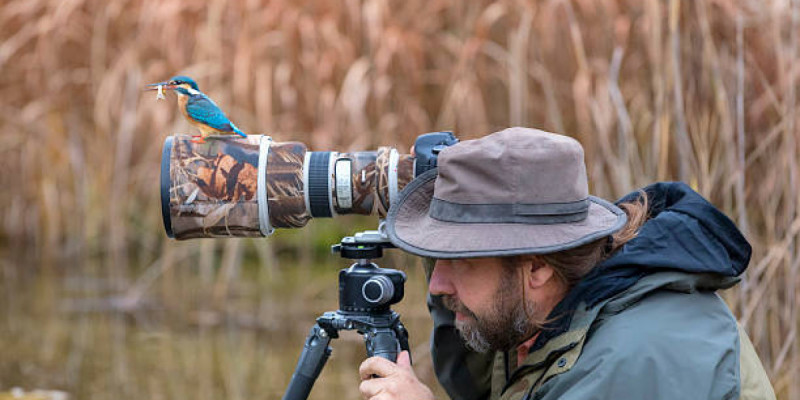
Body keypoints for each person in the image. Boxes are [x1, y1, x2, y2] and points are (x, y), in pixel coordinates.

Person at [357, 127, 776, 400]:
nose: (436, 285)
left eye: (461, 260)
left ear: (537, 267)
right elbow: (479, 385)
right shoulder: (547, 311)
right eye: (438, 258)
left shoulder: (632, 359)